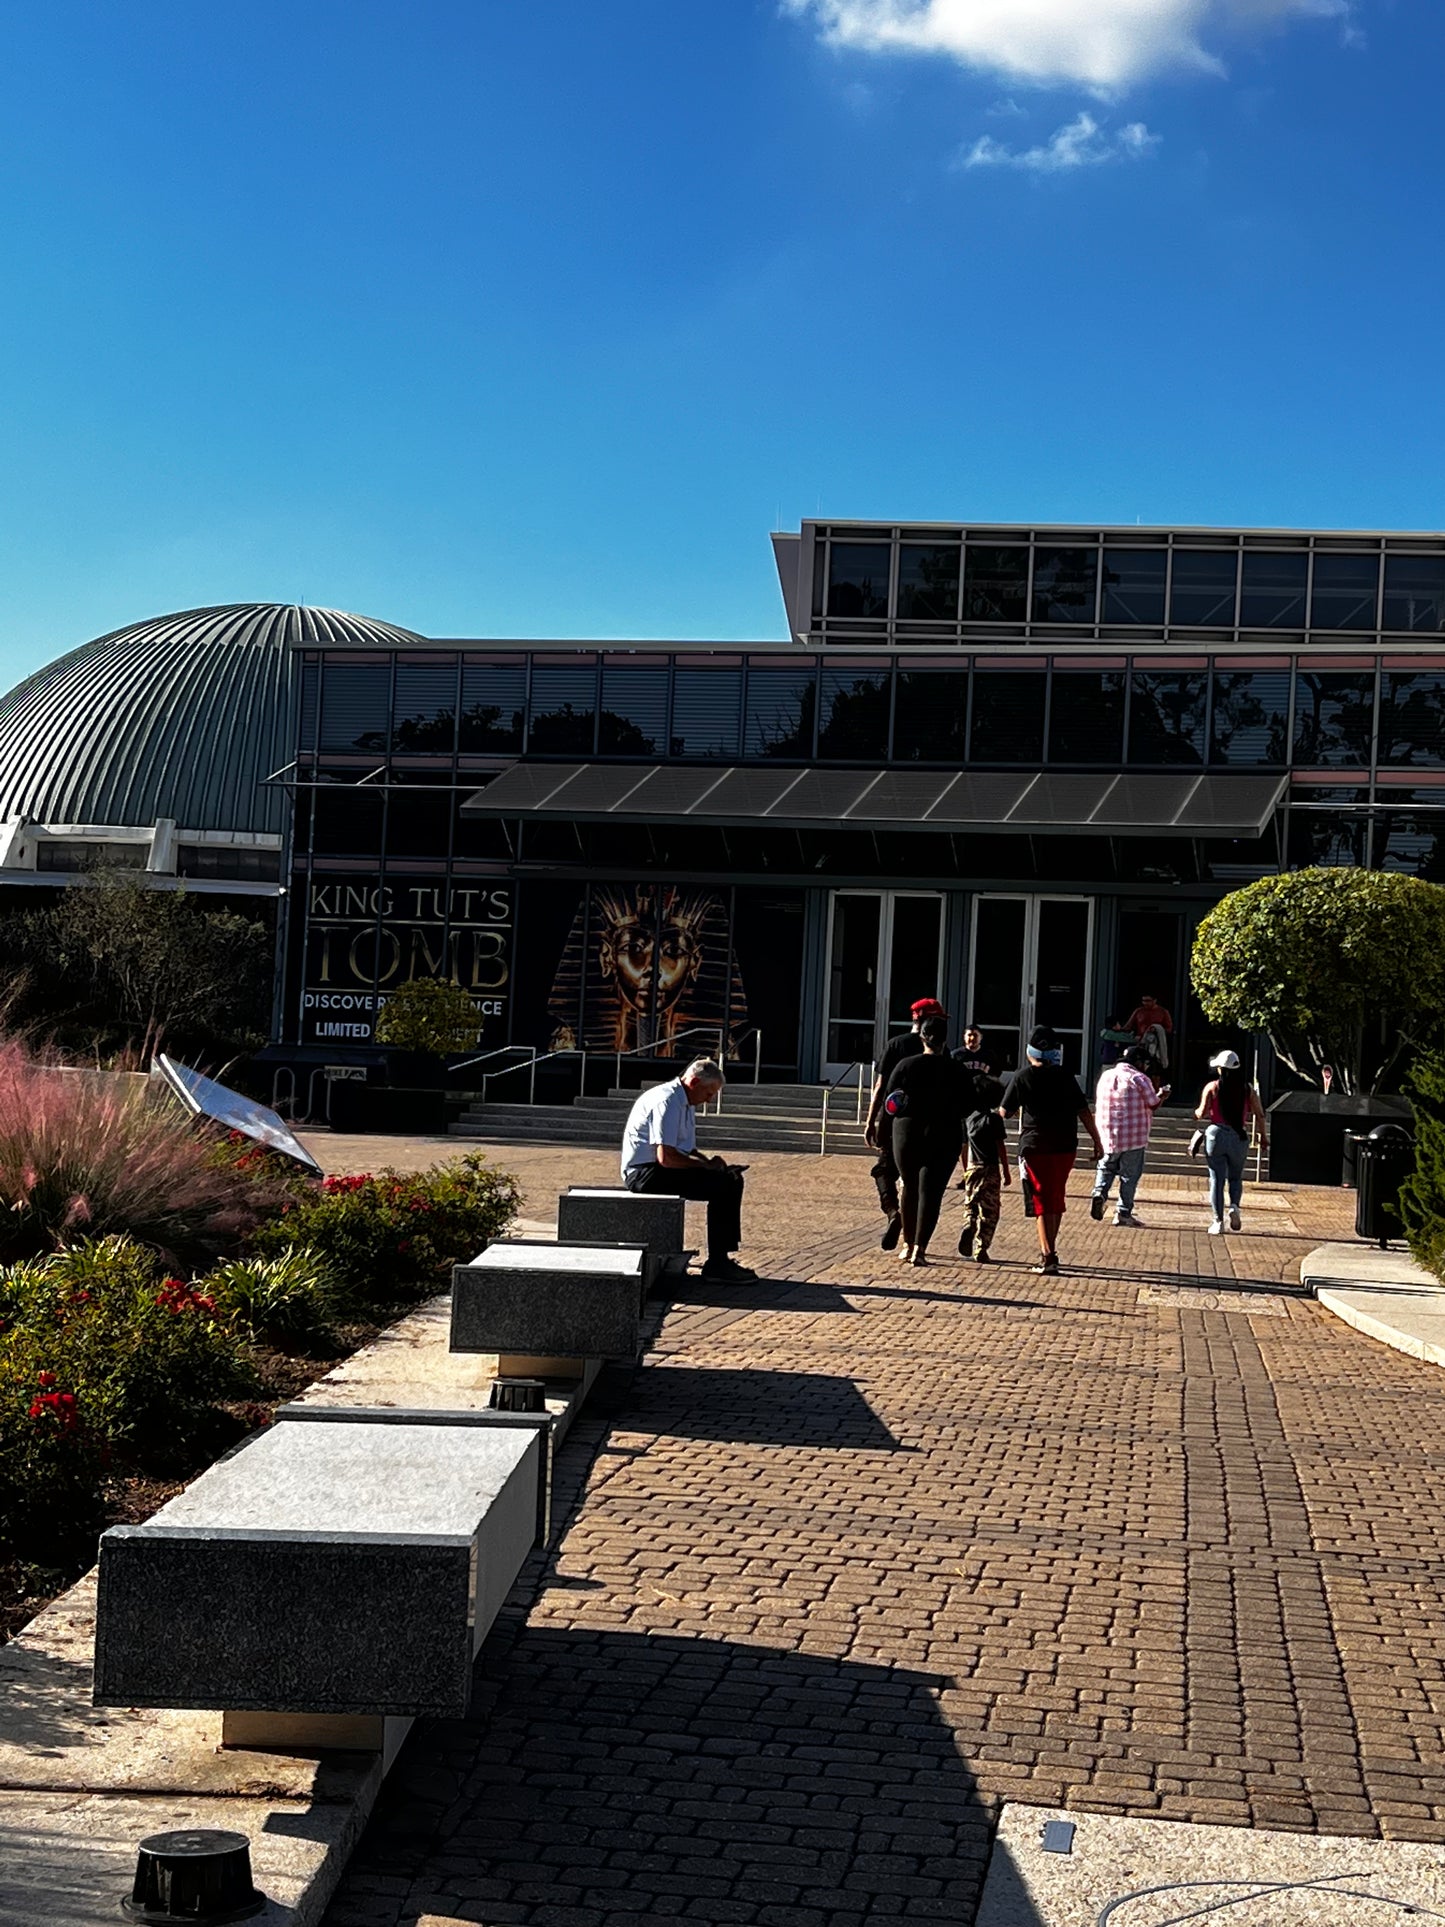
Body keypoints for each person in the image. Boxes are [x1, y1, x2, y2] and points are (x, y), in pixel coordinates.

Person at [622, 1056, 755, 1280]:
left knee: (731, 1179)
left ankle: (722, 1257)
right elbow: (667, 1158)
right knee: (722, 1186)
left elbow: (687, 1150)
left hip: (657, 1168)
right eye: (708, 1093)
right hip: (644, 1173)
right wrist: (707, 1166)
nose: (709, 1100)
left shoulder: (684, 1101)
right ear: (694, 1083)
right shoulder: (667, 1101)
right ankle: (718, 1263)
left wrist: (714, 1164)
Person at [1001, 1026, 1104, 1275]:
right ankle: (1050, 1249)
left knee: (1041, 1201)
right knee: (1056, 1197)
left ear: (1030, 1050)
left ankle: (1048, 1256)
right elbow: (1083, 1111)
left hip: (1035, 1145)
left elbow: (1006, 1112)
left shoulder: (1022, 1077)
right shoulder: (1066, 1076)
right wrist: (1097, 1140)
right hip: (1065, 1145)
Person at [883, 1015, 970, 1265]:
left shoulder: (905, 1065)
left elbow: (891, 1102)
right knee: (931, 1192)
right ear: (945, 1040)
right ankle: (920, 1249)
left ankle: (907, 1243)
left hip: (907, 1132)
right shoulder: (957, 1069)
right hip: (944, 1133)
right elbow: (969, 1104)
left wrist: (883, 1131)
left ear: (922, 1037)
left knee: (909, 1187)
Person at [864, 997, 948, 1251]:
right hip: (932, 1124)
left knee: (884, 1171)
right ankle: (915, 1243)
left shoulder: (896, 1045)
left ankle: (893, 1212)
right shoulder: (941, 1049)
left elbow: (880, 1088)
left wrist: (871, 1121)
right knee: (920, 1184)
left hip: (896, 1121)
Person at [1091, 1044, 1169, 1227]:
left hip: (1107, 1134)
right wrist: (1163, 1095)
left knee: (1106, 1167)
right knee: (1129, 1175)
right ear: (1139, 1062)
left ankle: (1099, 1193)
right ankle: (1123, 1212)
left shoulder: (1106, 1076)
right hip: (1134, 1136)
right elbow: (1153, 1103)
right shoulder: (1139, 1078)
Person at [1194, 1049, 1269, 1234]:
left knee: (1216, 1179)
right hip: (1239, 1135)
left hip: (1216, 1133)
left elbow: (1202, 1112)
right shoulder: (1247, 1089)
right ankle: (1234, 1205)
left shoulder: (1212, 1087)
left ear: (1221, 1069)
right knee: (1236, 1177)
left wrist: (1196, 1113)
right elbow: (1259, 1114)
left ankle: (1218, 1221)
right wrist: (1263, 1137)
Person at [958, 1075, 1010, 1262]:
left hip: (973, 1166)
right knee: (990, 1210)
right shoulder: (994, 1120)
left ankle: (969, 1223)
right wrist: (1006, 1170)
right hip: (991, 1168)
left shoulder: (969, 1118)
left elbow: (963, 1147)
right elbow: (1000, 1147)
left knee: (971, 1202)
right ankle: (982, 1246)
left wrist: (965, 1169)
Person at [1125, 993, 1173, 1071]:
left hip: (1156, 1045)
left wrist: (1157, 1029)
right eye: (1143, 1001)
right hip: (1140, 1044)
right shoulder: (1139, 1011)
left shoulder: (1163, 1012)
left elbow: (1169, 1029)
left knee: (1155, 1069)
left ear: (1154, 1001)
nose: (1145, 1003)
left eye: (1148, 1001)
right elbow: (1128, 1026)